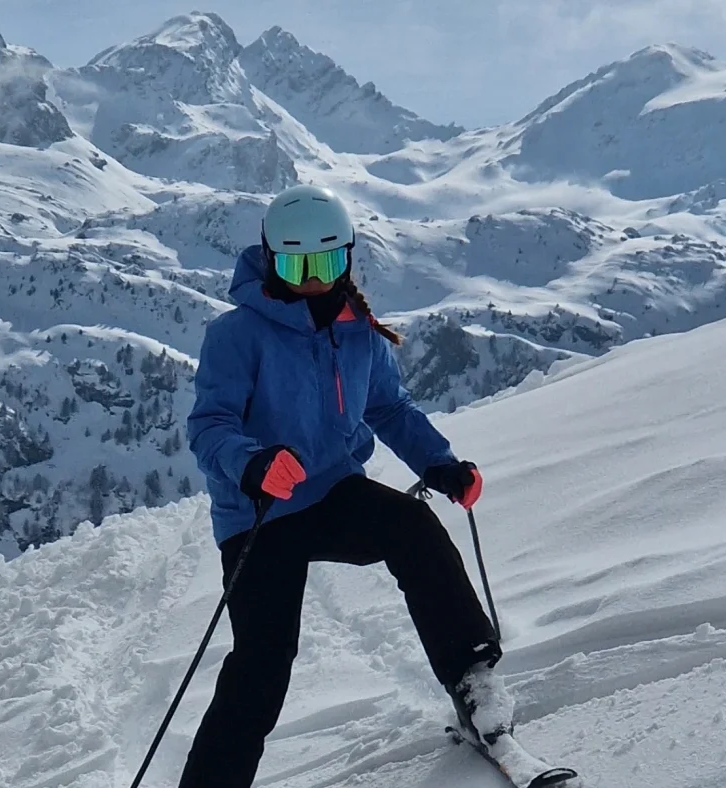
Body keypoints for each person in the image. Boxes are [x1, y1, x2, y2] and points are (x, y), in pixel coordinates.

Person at [181, 184, 512, 787]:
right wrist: (252, 465)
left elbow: (389, 408)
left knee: (413, 528)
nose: (311, 280)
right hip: (261, 510)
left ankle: (473, 683)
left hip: (332, 491)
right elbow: (209, 427)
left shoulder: (354, 328)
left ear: (349, 259)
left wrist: (439, 465)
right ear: (270, 257)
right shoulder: (237, 334)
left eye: (326, 263)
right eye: (296, 264)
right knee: (263, 661)